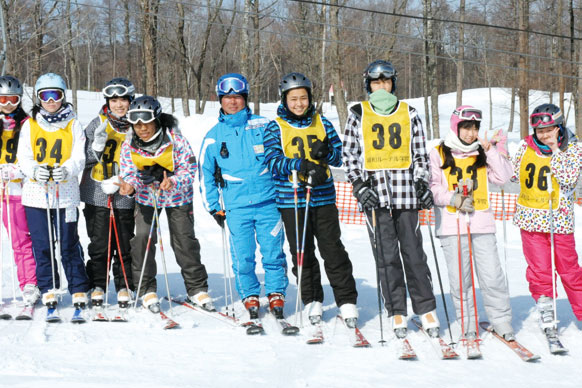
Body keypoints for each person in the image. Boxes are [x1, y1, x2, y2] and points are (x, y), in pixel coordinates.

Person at [342, 60, 439, 338]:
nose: (381, 87)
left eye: (386, 82)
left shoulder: (409, 113)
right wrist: (360, 186)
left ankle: (425, 306)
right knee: (386, 257)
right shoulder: (358, 113)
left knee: (414, 254)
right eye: (376, 83)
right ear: (368, 85)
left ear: (393, 83)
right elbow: (350, 155)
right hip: (376, 199)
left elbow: (420, 153)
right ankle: (397, 308)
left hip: (406, 195)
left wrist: (421, 183)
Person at [264, 72, 359, 327]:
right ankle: (312, 299)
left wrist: (328, 151)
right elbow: (272, 161)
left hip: (323, 198)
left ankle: (346, 299)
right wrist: (300, 164)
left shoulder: (322, 122)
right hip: (292, 200)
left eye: (303, 98)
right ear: (284, 100)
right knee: (302, 254)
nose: (298, 104)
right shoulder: (275, 127)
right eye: (293, 99)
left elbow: (341, 156)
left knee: (333, 250)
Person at [199, 73, 288, 318]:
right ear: (220, 100)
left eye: (237, 96)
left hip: (269, 203)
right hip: (236, 208)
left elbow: (282, 158)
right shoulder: (213, 137)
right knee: (243, 256)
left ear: (245, 98)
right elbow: (205, 174)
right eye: (227, 97)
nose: (233, 101)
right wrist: (213, 206)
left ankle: (276, 293)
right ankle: (249, 294)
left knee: (273, 252)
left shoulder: (264, 125)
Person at [119, 95, 213, 313]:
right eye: (136, 123)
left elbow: (190, 171)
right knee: (142, 238)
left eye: (146, 122)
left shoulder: (175, 140)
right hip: (146, 198)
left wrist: (173, 181)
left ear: (157, 119)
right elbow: (128, 172)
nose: (142, 128)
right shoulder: (129, 144)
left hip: (177, 197)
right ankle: (145, 288)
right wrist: (130, 186)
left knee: (183, 239)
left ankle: (196, 287)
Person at [429, 105, 514, 341]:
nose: (470, 133)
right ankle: (467, 322)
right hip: (452, 225)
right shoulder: (438, 152)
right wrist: (453, 198)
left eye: (475, 128)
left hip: (482, 223)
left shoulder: (483, 152)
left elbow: (504, 177)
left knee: (492, 276)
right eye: (466, 127)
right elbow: (434, 188)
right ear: (456, 127)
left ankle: (502, 321)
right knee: (461, 280)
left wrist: (492, 151)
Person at [17, 73, 90, 309]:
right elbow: (24, 156)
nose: (51, 100)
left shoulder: (73, 124)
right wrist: (34, 171)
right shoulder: (30, 125)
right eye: (45, 95)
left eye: (55, 95)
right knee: (42, 244)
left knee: (68, 243)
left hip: (66, 194)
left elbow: (80, 156)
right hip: (36, 195)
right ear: (38, 98)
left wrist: (67, 170)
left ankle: (78, 287)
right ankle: (47, 286)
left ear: (63, 96)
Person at [512, 103, 582, 335]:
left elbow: (569, 179)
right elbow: (513, 174)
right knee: (539, 269)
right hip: (530, 218)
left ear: (559, 127)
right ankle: (546, 309)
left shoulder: (573, 148)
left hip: (559, 220)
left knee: (569, 270)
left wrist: (556, 151)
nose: (544, 135)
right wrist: (496, 152)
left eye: (549, 129)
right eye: (540, 131)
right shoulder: (525, 145)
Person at [80, 78, 136, 308]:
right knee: (100, 243)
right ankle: (97, 284)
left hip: (124, 193)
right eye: (114, 100)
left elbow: (145, 160)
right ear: (107, 102)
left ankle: (124, 284)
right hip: (97, 192)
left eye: (123, 99)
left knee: (123, 243)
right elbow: (82, 159)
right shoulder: (97, 123)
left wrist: (130, 182)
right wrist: (95, 149)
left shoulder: (138, 124)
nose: (119, 105)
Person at [0, 75, 39, 307]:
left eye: (12, 99)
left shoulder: (28, 124)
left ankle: (29, 284)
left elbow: (34, 155)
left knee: (20, 240)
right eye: (2, 99)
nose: (6, 104)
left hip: (14, 190)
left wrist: (18, 170)